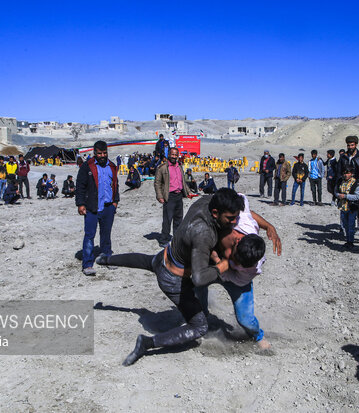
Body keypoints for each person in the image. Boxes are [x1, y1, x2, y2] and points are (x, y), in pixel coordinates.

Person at [95, 189, 246, 365]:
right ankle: (147, 343)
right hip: (173, 280)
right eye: (230, 218)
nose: (234, 222)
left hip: (164, 256)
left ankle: (106, 260)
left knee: (144, 261)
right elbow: (198, 279)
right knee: (199, 326)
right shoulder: (203, 233)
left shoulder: (206, 200)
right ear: (215, 213)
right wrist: (224, 265)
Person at [195, 193, 281, 350]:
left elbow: (237, 277)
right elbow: (249, 213)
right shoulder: (243, 222)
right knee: (197, 286)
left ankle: (258, 335)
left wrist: (224, 264)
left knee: (245, 319)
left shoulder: (251, 269)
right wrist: (269, 226)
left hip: (233, 277)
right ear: (238, 240)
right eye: (234, 256)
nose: (234, 260)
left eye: (239, 263)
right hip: (210, 261)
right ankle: (201, 320)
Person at [76, 140, 120, 276]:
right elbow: (80, 187)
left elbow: (115, 184)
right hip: (92, 207)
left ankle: (106, 258)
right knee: (90, 235)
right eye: (99, 153)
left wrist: (115, 202)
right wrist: (80, 204)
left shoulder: (112, 166)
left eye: (104, 153)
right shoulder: (87, 166)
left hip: (108, 207)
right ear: (95, 153)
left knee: (106, 234)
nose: (102, 155)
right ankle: (87, 264)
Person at [154, 147, 190, 248]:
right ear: (168, 155)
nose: (174, 157)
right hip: (169, 197)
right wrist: (159, 196)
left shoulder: (179, 167)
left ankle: (177, 239)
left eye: (176, 155)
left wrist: (188, 192)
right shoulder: (163, 168)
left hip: (179, 196)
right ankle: (163, 240)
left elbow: (183, 181)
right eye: (172, 154)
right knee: (167, 220)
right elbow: (157, 183)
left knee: (179, 219)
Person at [335, 166, 359, 249]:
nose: (346, 175)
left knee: (351, 225)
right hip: (342, 207)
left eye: (348, 173)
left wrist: (346, 196)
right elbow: (335, 191)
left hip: (351, 207)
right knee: (345, 224)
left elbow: (358, 196)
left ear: (352, 174)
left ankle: (351, 241)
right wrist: (338, 195)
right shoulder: (340, 181)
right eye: (345, 173)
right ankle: (347, 240)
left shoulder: (356, 183)